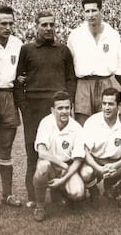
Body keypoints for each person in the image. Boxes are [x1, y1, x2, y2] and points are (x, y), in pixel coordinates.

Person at [14, 11, 77, 208]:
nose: (48, 28)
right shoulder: (27, 50)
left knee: (60, 150)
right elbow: (18, 80)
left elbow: (71, 79)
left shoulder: (63, 50)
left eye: (51, 24)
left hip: (58, 108)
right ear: (36, 27)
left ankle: (59, 192)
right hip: (33, 109)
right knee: (34, 152)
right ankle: (33, 196)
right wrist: (24, 106)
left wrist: (69, 102)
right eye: (44, 25)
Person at [0, 6, 22, 210]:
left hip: (9, 96)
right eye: (3, 23)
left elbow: (23, 71)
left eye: (11, 23)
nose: (8, 27)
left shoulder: (18, 43)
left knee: (6, 149)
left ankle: (7, 193)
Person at [67, 0, 121, 125]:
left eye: (94, 10)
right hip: (83, 84)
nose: (90, 15)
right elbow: (69, 65)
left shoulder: (112, 34)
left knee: (105, 123)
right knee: (82, 124)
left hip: (105, 82)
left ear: (101, 11)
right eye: (87, 11)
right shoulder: (75, 35)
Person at [32, 91, 85, 222]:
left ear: (71, 108)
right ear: (52, 110)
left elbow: (78, 160)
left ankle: (62, 192)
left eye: (67, 108)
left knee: (77, 193)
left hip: (67, 166)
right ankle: (40, 207)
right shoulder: (45, 123)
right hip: (51, 165)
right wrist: (63, 165)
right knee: (43, 166)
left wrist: (63, 178)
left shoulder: (77, 128)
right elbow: (42, 152)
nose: (64, 111)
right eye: (60, 108)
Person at [80, 88, 121, 201]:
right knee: (85, 173)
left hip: (117, 164)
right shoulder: (92, 121)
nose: (106, 108)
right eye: (104, 104)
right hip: (97, 162)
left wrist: (115, 166)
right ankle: (94, 191)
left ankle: (116, 190)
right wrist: (99, 168)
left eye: (111, 104)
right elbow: (85, 152)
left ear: (119, 106)